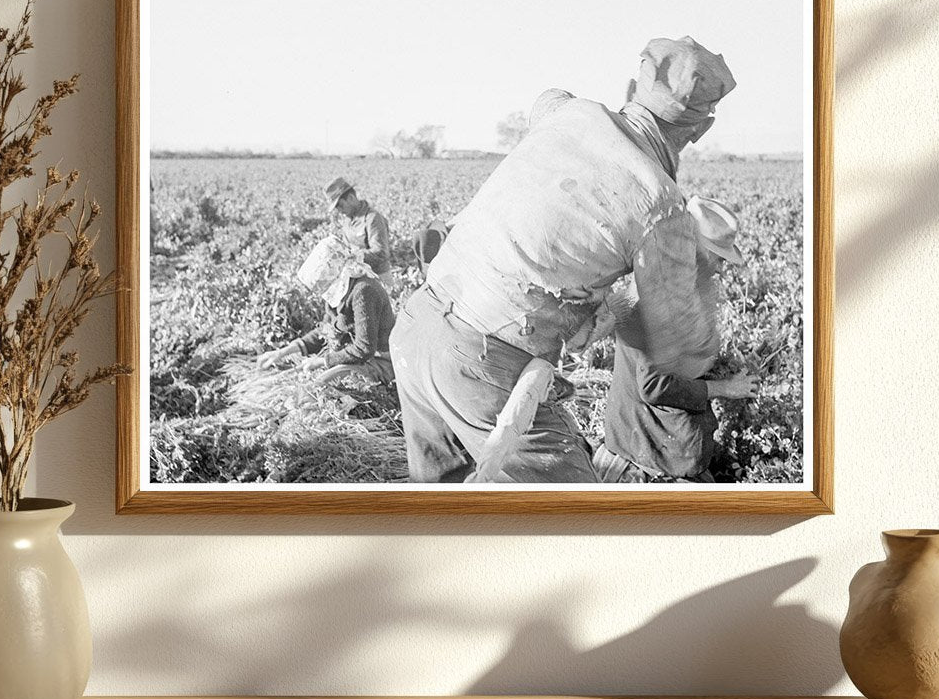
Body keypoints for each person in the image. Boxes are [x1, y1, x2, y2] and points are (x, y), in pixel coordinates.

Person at [391, 36, 737, 484]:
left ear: (633, 88)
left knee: (450, 511)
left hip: (418, 324)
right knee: (577, 521)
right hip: (478, 363)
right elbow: (680, 350)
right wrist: (689, 279)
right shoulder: (660, 203)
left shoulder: (570, 113)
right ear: (701, 129)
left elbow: (547, 99)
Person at [595, 197, 759, 483]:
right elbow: (654, 386)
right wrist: (724, 388)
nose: (720, 268)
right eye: (718, 257)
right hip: (650, 449)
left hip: (641, 434)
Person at [257, 236, 396, 387]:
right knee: (294, 375)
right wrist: (284, 352)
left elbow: (364, 348)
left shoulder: (364, 291)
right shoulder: (340, 290)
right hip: (355, 355)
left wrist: (322, 361)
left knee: (319, 384)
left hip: (380, 361)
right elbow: (325, 331)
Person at [325, 177, 394, 288]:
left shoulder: (372, 218)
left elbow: (381, 253)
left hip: (379, 278)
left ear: (351, 198)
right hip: (359, 278)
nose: (339, 211)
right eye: (336, 208)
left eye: (340, 205)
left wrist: (353, 255)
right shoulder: (347, 220)